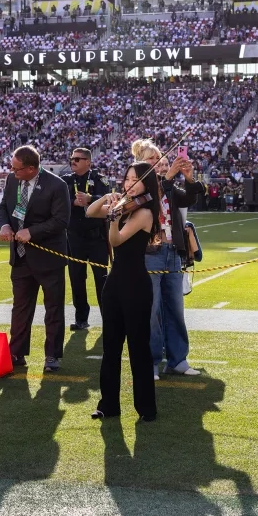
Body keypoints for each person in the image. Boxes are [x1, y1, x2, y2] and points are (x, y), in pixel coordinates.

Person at [86, 161, 159, 421]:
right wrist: (107, 197)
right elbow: (90, 212)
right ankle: (108, 405)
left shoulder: (145, 213)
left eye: (134, 180)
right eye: (126, 179)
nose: (128, 184)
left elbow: (115, 240)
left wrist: (114, 221)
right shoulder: (122, 205)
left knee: (138, 348)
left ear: (146, 184)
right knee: (111, 347)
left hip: (136, 285)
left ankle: (146, 409)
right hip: (115, 283)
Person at [131, 139, 205, 380]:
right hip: (150, 253)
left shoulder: (167, 183)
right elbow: (151, 194)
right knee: (151, 310)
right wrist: (169, 177)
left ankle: (177, 359)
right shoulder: (138, 184)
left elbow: (189, 199)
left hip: (173, 251)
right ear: (141, 161)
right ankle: (152, 361)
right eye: (152, 159)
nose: (158, 163)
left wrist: (190, 177)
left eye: (158, 158)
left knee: (175, 307)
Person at [0, 146, 70, 373]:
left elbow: (61, 220)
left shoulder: (57, 185)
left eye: (16, 168)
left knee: (53, 308)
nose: (12, 171)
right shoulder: (12, 180)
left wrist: (32, 232)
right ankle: (16, 352)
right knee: (20, 308)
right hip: (20, 257)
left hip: (48, 258)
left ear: (31, 168)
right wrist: (5, 224)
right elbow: (3, 207)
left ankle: (52, 356)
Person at [61, 148, 111, 331]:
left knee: (102, 279)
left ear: (88, 162)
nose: (72, 161)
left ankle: (109, 318)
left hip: (97, 237)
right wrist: (72, 202)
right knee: (76, 279)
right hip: (74, 239)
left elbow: (108, 200)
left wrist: (91, 199)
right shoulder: (65, 180)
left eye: (77, 159)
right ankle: (81, 318)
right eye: (72, 158)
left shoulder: (99, 179)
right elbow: (57, 200)